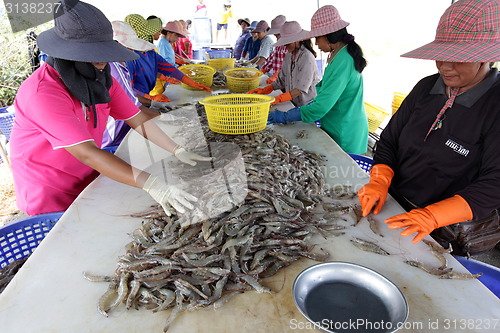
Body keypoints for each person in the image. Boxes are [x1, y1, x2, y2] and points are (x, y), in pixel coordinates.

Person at [9, 1, 212, 216]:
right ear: (69, 54)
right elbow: (87, 152)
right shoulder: (43, 93)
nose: (103, 64)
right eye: (96, 57)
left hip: (87, 176)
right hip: (49, 191)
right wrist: (153, 184)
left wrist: (176, 149)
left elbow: (138, 120)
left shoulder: (100, 79)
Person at [358, 0, 500, 252]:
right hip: (393, 205)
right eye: (440, 56)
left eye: (458, 58)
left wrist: (432, 216)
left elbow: (494, 183)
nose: (445, 66)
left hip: (446, 229)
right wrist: (380, 180)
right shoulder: (427, 87)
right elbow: (389, 140)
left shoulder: (494, 104)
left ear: (485, 58)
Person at [268, 5, 368, 155]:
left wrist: (287, 116)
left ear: (329, 36)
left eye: (317, 38)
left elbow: (322, 106)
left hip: (345, 129)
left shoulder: (343, 60)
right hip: (336, 122)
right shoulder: (340, 54)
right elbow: (322, 88)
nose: (315, 44)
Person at [103, 20, 165, 149]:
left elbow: (130, 94)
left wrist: (152, 101)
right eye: (129, 46)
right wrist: (165, 117)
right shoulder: (113, 67)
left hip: (123, 130)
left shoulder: (117, 65)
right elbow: (133, 108)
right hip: (114, 138)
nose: (132, 49)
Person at [124, 14, 210, 106]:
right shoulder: (129, 58)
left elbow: (169, 68)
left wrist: (191, 82)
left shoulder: (150, 53)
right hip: (133, 102)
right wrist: (150, 98)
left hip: (145, 97)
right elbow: (126, 89)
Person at [249, 21, 320, 107]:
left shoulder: (306, 57)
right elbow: (282, 80)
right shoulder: (289, 56)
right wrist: (266, 89)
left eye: (288, 43)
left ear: (297, 40)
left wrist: (279, 98)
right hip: (293, 102)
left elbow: (300, 89)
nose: (286, 46)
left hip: (307, 104)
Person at [260, 15, 288, 84]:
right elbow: (272, 59)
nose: (275, 36)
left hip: (286, 80)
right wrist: (263, 70)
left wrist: (277, 75)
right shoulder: (278, 45)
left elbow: (289, 66)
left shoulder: (288, 45)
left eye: (277, 34)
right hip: (279, 81)